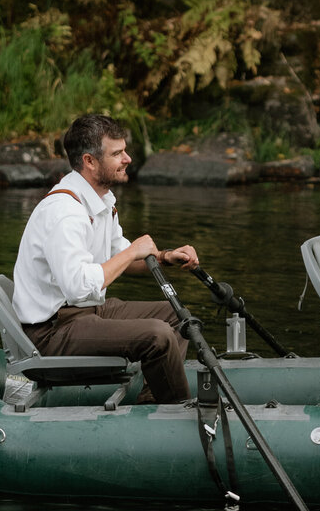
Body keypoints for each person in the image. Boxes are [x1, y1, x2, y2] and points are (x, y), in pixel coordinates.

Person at [13, 112, 199, 403]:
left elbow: (121, 257)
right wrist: (130, 252)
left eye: (124, 150)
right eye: (118, 153)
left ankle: (155, 400)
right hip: (52, 332)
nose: (128, 159)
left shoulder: (101, 200)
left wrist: (163, 257)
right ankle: (176, 411)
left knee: (177, 316)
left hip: (86, 312)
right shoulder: (65, 212)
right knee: (157, 335)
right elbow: (79, 286)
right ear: (89, 161)